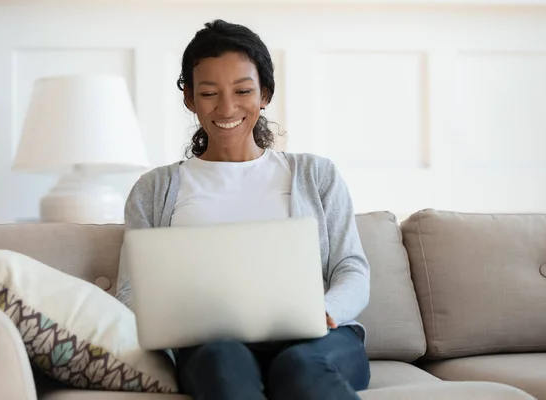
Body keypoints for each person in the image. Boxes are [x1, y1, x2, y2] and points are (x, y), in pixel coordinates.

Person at [116, 19, 371, 400]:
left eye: (243, 90)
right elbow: (130, 289)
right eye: (209, 93)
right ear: (189, 99)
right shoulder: (154, 189)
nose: (227, 107)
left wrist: (326, 311)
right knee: (221, 364)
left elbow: (351, 267)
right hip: (213, 345)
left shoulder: (315, 174)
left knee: (298, 367)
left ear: (264, 93)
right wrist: (173, 325)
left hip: (317, 340)